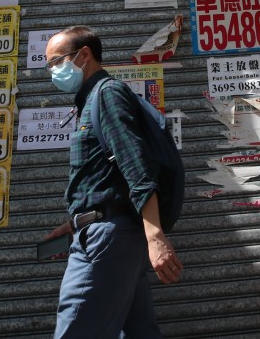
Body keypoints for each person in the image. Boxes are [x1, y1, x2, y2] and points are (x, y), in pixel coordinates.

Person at [45, 25, 183, 339]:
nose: (52, 72)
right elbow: (105, 177)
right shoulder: (88, 102)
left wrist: (155, 235)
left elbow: (135, 163)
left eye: (56, 62)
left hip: (107, 241)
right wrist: (74, 223)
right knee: (137, 332)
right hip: (109, 234)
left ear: (83, 55)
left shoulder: (106, 93)